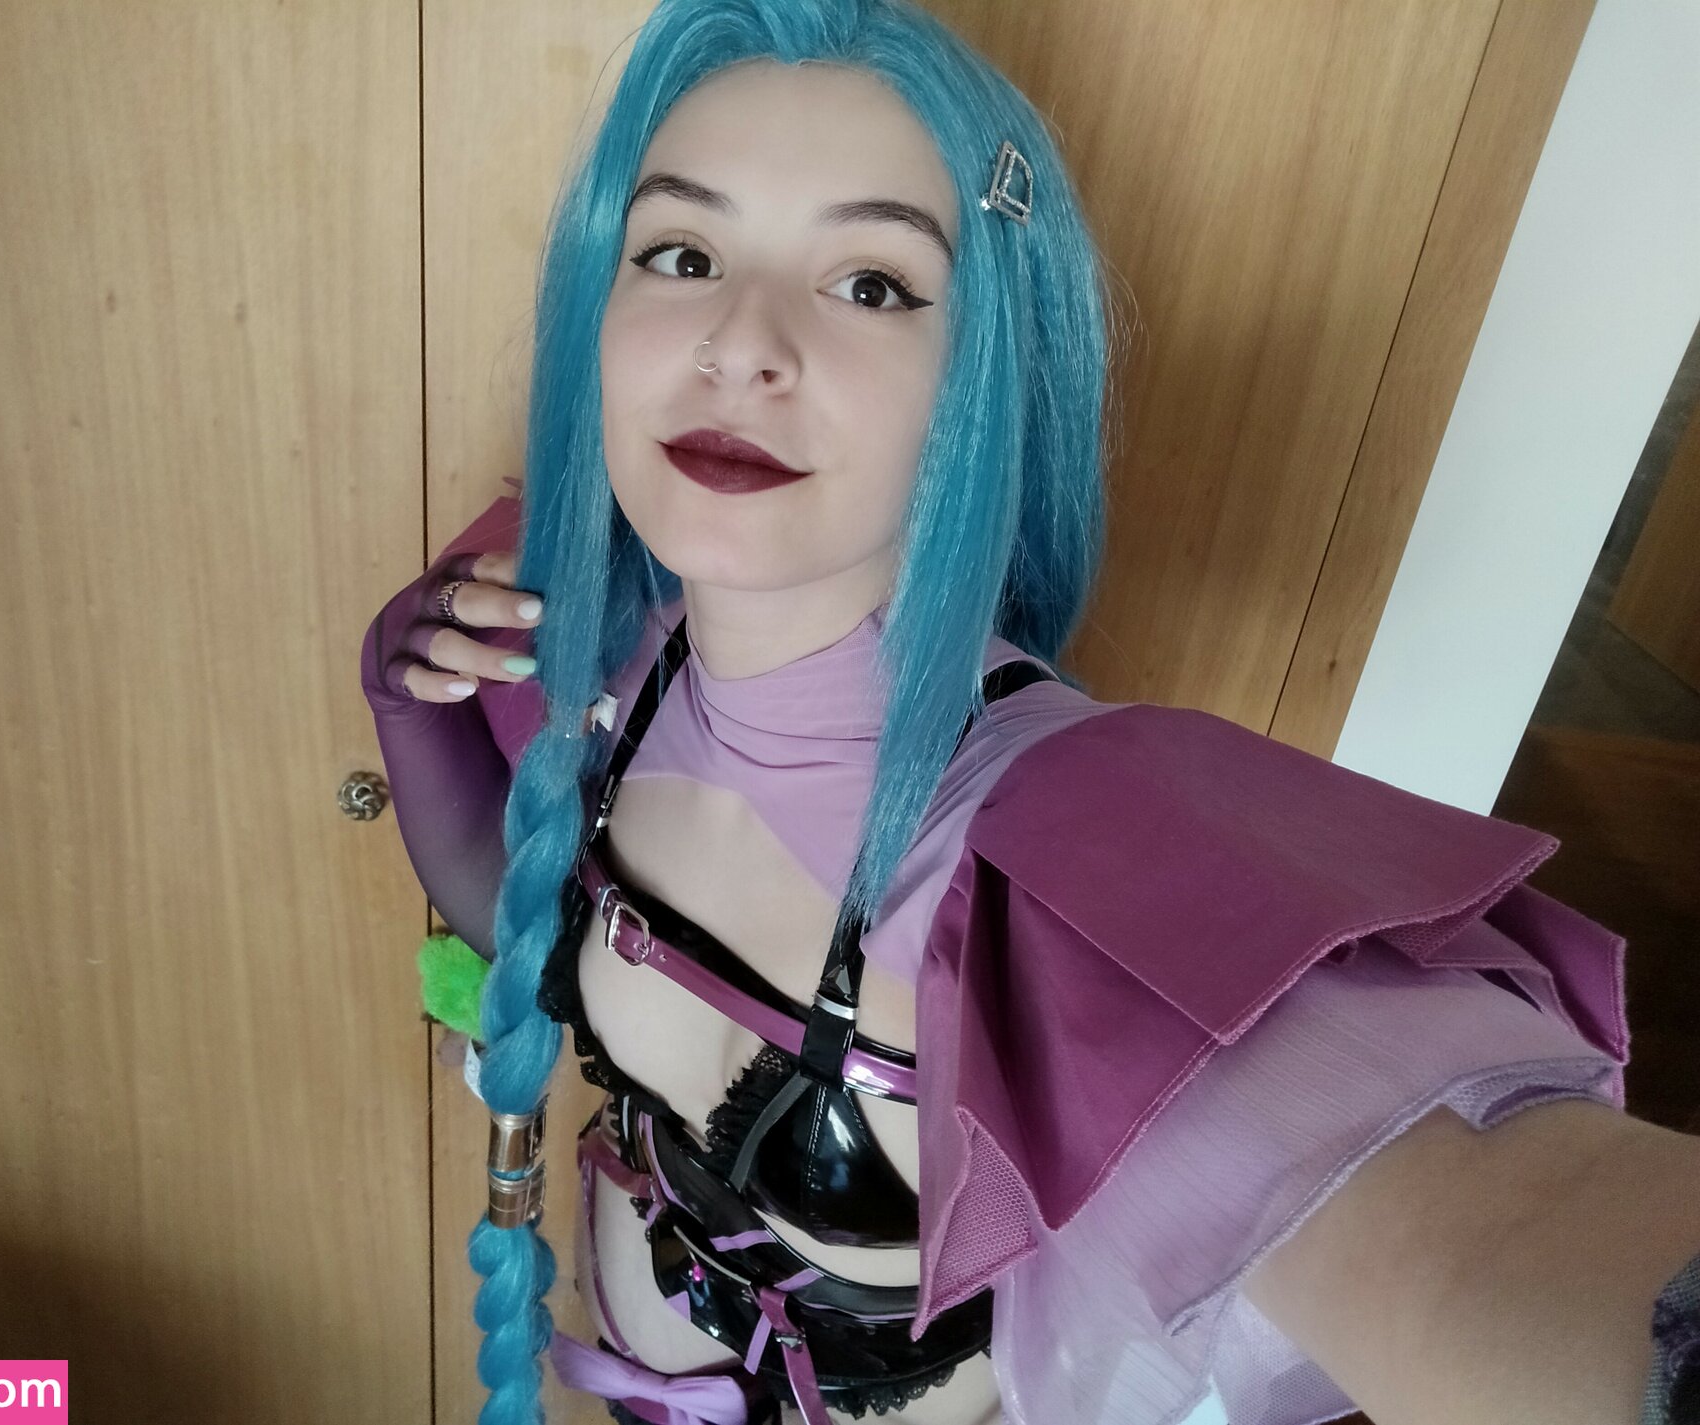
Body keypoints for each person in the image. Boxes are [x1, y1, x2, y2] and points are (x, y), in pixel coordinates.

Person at [360, 3, 1700, 1422]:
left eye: (871, 282)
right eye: (682, 255)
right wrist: (419, 717)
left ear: (987, 375)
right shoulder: (581, 652)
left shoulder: (1055, 847)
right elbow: (529, 935)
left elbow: (1484, 1232)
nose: (739, 343)